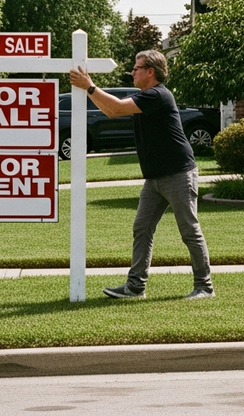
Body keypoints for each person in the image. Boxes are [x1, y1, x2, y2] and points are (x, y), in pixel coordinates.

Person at [68, 49, 214, 300]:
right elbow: (110, 111)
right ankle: (135, 287)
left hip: (179, 173)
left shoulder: (158, 95)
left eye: (137, 68)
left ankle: (204, 287)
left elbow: (115, 108)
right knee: (142, 228)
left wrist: (90, 86)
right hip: (155, 178)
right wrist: (89, 89)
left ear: (151, 71)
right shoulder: (144, 96)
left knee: (189, 230)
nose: (132, 71)